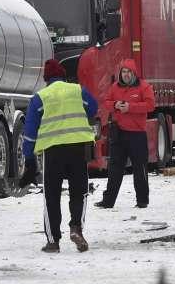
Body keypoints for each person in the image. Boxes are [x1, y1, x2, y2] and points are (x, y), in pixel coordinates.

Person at [19, 59, 98, 253]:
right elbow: (93, 107)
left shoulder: (40, 97)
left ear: (46, 79)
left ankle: (53, 241)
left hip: (53, 152)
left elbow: (29, 132)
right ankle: (76, 228)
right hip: (79, 147)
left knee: (51, 195)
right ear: (63, 75)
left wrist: (29, 158)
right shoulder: (77, 90)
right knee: (79, 191)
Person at [95, 59, 156, 209]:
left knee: (139, 168)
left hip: (137, 135)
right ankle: (108, 201)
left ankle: (142, 200)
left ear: (134, 73)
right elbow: (106, 102)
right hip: (119, 134)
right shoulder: (114, 87)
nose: (126, 75)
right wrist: (115, 105)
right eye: (124, 72)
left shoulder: (144, 87)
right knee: (114, 169)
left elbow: (150, 105)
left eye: (129, 72)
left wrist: (130, 107)